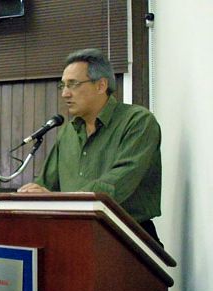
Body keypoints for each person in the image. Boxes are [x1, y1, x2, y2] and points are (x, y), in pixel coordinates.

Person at [18, 48, 162, 242]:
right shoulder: (67, 132)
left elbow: (116, 184)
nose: (65, 94)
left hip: (126, 236)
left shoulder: (138, 121)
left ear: (101, 85)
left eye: (73, 84)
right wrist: (33, 192)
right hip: (73, 233)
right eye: (63, 86)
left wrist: (68, 201)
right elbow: (46, 183)